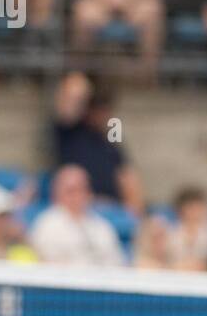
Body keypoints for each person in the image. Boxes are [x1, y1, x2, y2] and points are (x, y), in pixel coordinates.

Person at [50, 71, 145, 213]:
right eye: (99, 110)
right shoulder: (69, 131)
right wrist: (92, 85)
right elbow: (73, 90)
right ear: (88, 110)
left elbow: (126, 174)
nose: (104, 115)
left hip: (113, 207)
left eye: (107, 110)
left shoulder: (111, 135)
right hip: (82, 206)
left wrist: (134, 209)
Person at [29, 164, 126, 266]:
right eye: (71, 190)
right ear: (56, 193)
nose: (77, 196)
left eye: (82, 189)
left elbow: (116, 262)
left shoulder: (102, 226)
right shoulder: (46, 224)